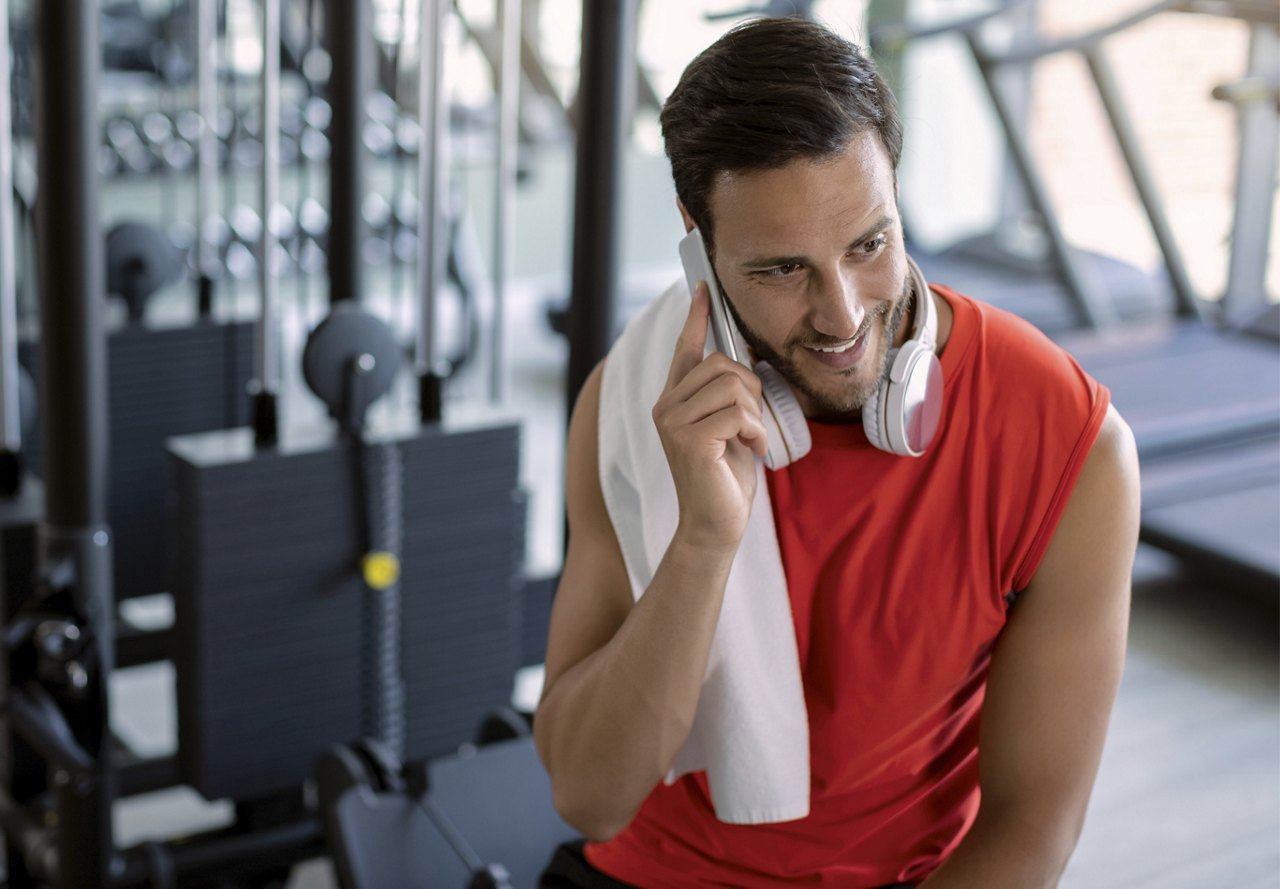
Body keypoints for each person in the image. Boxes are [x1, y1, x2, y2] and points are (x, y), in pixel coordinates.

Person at [535, 16, 1140, 889]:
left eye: (870, 243)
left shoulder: (1066, 444)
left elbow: (1032, 826)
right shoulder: (629, 406)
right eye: (781, 269)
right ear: (698, 241)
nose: (844, 316)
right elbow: (591, 797)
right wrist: (705, 541)